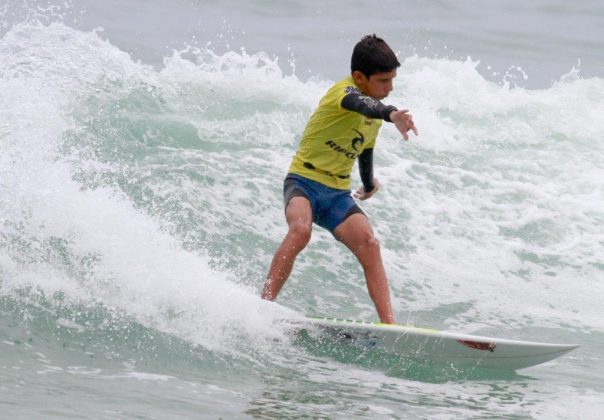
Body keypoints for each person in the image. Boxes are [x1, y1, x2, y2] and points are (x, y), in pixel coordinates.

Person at [261, 34, 418, 324]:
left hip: (336, 194)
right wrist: (392, 113)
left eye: (392, 80)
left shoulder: (373, 113)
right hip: (303, 182)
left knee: (369, 244)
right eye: (383, 81)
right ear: (360, 77)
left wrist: (369, 183)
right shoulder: (343, 93)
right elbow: (362, 105)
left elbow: (364, 150)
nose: (390, 87)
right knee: (300, 230)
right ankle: (263, 306)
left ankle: (389, 328)